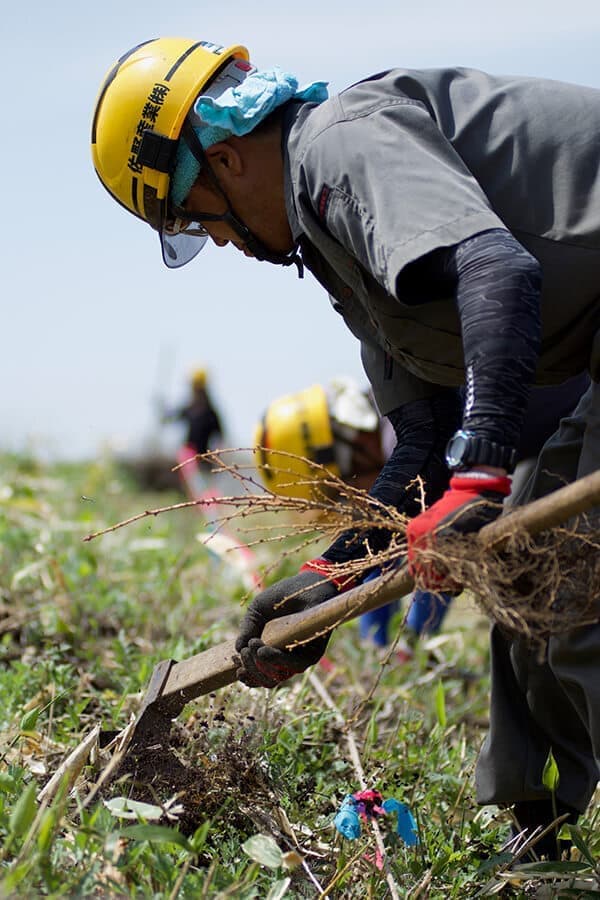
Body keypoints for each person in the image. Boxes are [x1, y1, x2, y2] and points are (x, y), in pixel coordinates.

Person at [91, 38, 600, 858]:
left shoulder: (340, 141)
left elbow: (497, 270)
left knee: (578, 586)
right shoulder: (342, 254)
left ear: (227, 160)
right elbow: (421, 445)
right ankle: (536, 833)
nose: (217, 242)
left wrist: (481, 475)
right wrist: (326, 583)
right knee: (531, 572)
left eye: (198, 218)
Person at [254, 374, 589, 654]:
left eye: (339, 488)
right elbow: (385, 551)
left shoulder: (415, 436)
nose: (351, 499)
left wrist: (412, 639)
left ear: (349, 447)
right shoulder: (400, 406)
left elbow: (440, 540)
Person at [162, 366, 223, 499]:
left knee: (203, 494)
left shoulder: (211, 412)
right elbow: (168, 419)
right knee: (195, 494)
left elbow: (220, 437)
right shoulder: (190, 408)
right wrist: (162, 408)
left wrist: (216, 458)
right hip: (189, 458)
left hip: (204, 460)